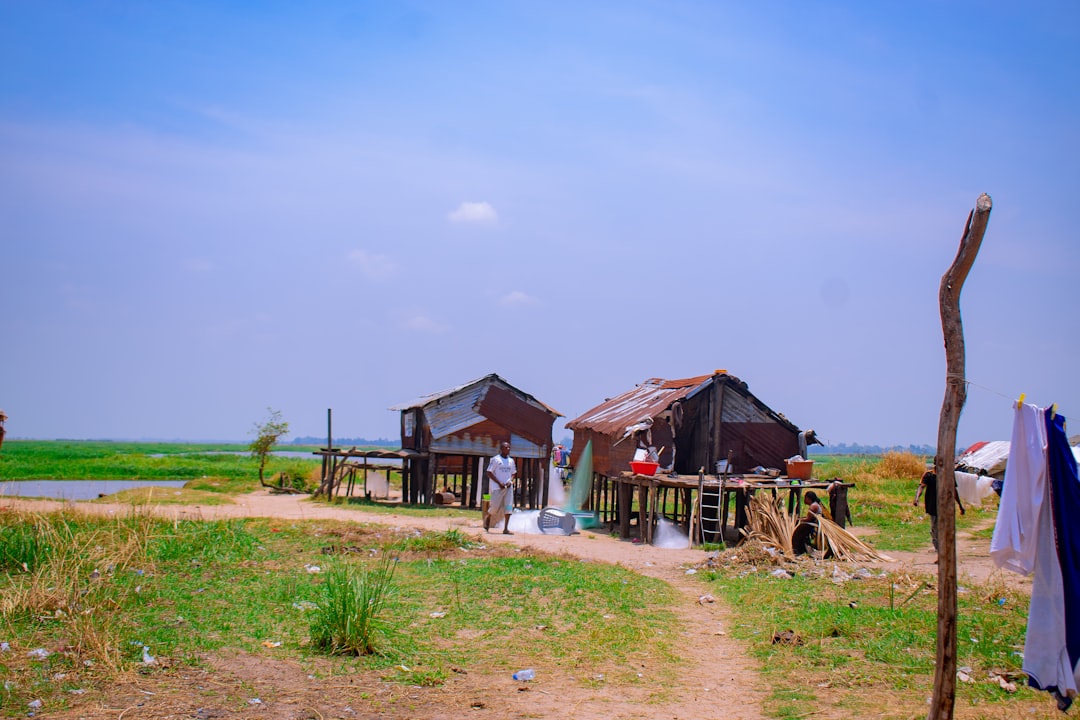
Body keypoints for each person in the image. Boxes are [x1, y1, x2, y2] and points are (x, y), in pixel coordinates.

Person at [913, 464, 965, 555]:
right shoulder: (929, 475)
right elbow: (921, 486)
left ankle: (943, 549)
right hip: (933, 506)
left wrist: (960, 505)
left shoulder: (948, 475)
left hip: (946, 506)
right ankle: (939, 549)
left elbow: (954, 490)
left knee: (943, 528)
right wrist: (916, 498)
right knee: (935, 528)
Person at [485, 441, 516, 535]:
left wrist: (510, 481)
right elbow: (489, 472)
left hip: (508, 488)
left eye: (509, 447)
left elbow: (513, 473)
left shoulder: (511, 461)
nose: (508, 449)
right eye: (506, 447)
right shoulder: (495, 459)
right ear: (502, 449)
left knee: (508, 507)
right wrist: (499, 483)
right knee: (494, 508)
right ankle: (488, 517)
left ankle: (506, 528)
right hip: (497, 488)